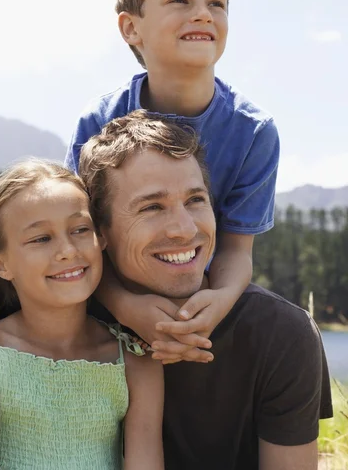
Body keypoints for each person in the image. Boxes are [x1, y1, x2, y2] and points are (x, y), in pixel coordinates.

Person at [65, 0, 280, 362]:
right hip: (110, 296)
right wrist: (126, 306)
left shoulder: (255, 132)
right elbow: (81, 240)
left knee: (285, 325)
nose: (202, 14)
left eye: (216, 3)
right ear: (131, 28)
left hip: (201, 297)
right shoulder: (97, 121)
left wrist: (215, 305)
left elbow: (237, 252)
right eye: (180, 1)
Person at [79, 111, 333, 470]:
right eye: (152, 207)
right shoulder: (68, 326)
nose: (184, 229)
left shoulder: (281, 334)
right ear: (99, 231)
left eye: (195, 200)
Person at [0, 159, 164, 470]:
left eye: (80, 230)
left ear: (101, 238)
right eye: (41, 238)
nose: (67, 250)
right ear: (0, 263)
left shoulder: (135, 362)